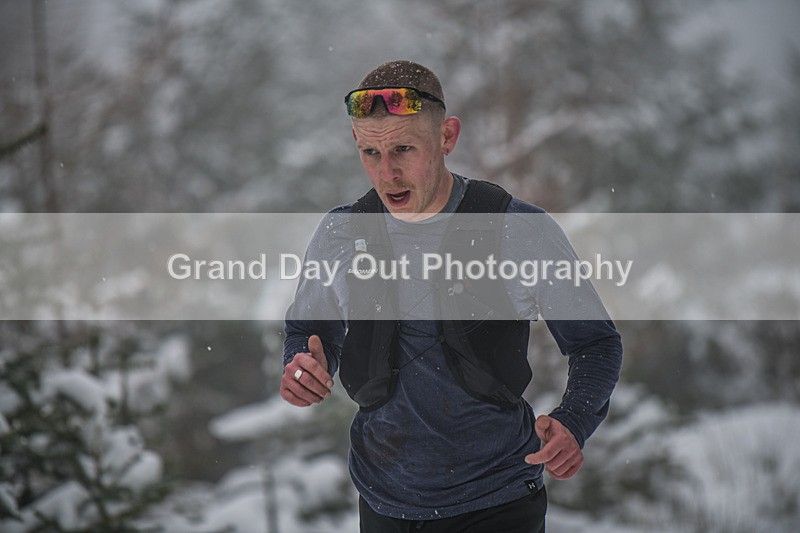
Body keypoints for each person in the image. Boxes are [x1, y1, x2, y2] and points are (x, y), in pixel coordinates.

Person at [281, 60, 623, 532]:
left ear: (446, 137)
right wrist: (302, 366)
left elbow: (595, 343)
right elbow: (308, 331)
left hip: (496, 500)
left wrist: (575, 420)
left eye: (404, 148)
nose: (388, 174)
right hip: (383, 502)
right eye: (370, 153)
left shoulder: (515, 228)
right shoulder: (342, 232)